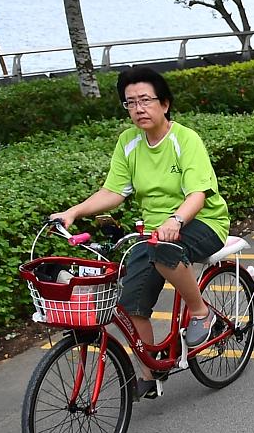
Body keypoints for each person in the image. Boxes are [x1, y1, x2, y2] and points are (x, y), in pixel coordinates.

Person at [51, 67, 231, 397]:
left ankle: (200, 313)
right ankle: (151, 371)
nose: (138, 108)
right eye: (130, 102)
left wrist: (175, 220)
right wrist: (73, 212)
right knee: (130, 303)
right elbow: (114, 191)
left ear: (164, 104)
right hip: (153, 233)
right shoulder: (129, 143)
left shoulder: (185, 139)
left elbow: (198, 194)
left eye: (146, 100)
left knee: (165, 252)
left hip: (202, 222)